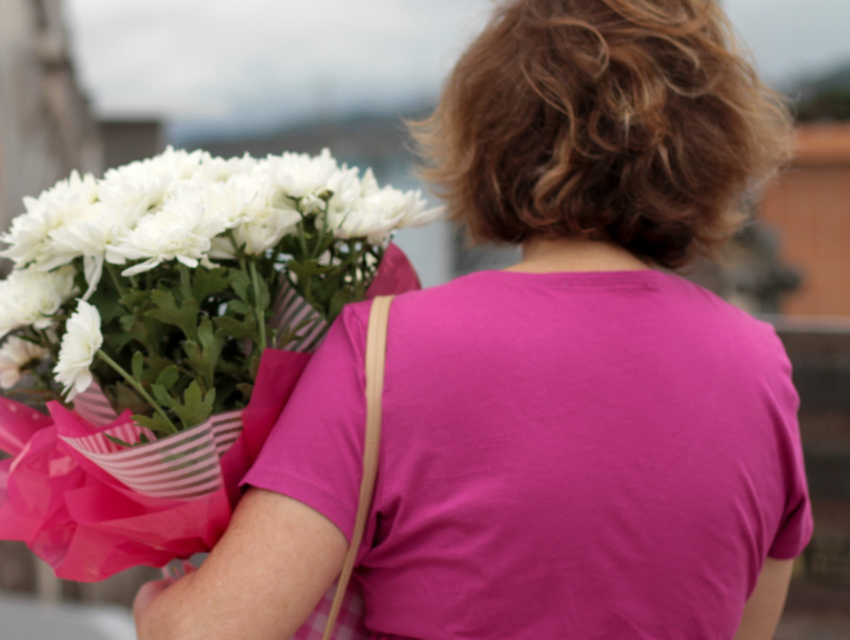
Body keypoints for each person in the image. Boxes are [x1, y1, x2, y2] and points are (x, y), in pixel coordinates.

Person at [132, 0, 811, 638]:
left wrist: (157, 605)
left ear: (493, 134)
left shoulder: (384, 348)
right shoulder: (759, 366)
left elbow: (210, 629)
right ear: (714, 146)